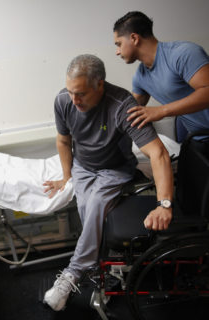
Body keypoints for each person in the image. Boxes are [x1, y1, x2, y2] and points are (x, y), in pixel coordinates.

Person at [42, 54, 173, 311]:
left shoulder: (122, 105)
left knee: (96, 205)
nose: (74, 100)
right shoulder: (63, 100)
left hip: (114, 170)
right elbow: (63, 140)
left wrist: (165, 204)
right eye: (70, 92)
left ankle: (72, 274)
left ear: (99, 84)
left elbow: (158, 153)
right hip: (83, 167)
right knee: (86, 208)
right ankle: (106, 266)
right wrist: (67, 176)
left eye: (80, 94)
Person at [113, 11, 209, 142]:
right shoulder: (140, 77)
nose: (117, 52)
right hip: (199, 139)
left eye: (119, 44)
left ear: (134, 38)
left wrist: (161, 111)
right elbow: (130, 112)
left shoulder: (183, 53)